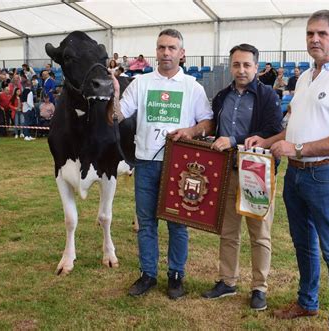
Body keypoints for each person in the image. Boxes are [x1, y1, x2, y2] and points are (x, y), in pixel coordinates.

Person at [245, 10, 329, 330]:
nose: (314, 39)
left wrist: (297, 149)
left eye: (322, 34)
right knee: (303, 243)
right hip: (296, 174)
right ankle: (307, 302)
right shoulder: (304, 77)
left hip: (327, 175)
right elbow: (296, 129)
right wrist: (268, 139)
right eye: (310, 33)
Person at [116, 28, 213, 300]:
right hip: (145, 162)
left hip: (178, 166)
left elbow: (207, 122)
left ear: (182, 54)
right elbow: (118, 114)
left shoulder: (193, 87)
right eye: (161, 48)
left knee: (177, 223)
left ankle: (176, 275)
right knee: (146, 223)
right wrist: (112, 95)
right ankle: (148, 274)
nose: (166, 53)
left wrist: (191, 132)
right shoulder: (141, 83)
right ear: (155, 52)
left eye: (172, 48)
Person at [200, 44, 282, 311]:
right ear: (230, 66)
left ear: (257, 68)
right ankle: (227, 281)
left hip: (257, 172)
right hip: (228, 172)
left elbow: (273, 130)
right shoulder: (222, 96)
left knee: (259, 233)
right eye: (236, 65)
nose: (241, 70)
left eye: (247, 65)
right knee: (228, 231)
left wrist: (233, 140)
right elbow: (214, 126)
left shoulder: (268, 96)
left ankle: (259, 287)